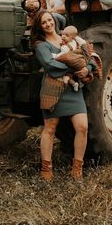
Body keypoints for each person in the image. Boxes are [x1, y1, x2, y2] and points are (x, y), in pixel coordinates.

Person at [31, 10, 95, 182]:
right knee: (50, 129)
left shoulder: (67, 37)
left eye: (49, 20)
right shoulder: (41, 45)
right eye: (44, 22)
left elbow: (89, 55)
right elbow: (49, 65)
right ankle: (46, 168)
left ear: (54, 21)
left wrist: (86, 69)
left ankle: (77, 168)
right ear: (39, 26)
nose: (48, 24)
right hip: (53, 89)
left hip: (73, 90)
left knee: (82, 127)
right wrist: (75, 67)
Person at [52, 25, 92, 91]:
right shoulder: (74, 42)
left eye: (66, 35)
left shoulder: (66, 47)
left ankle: (72, 82)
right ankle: (75, 83)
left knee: (68, 73)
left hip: (74, 63)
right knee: (70, 74)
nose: (63, 36)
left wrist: (54, 56)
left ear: (73, 38)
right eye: (63, 34)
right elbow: (82, 43)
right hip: (76, 65)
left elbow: (61, 56)